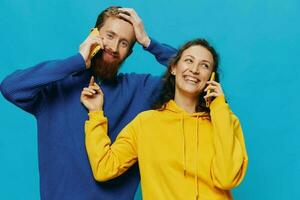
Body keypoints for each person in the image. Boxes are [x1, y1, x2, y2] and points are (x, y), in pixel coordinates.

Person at [0, 6, 177, 200]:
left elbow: (194, 80)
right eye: (110, 35)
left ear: (129, 53)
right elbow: (10, 87)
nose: (114, 47)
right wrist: (77, 61)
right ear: (93, 34)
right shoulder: (56, 87)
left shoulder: (138, 90)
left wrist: (149, 43)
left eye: (124, 43)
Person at [82, 38, 248, 200]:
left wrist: (219, 107)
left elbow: (226, 178)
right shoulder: (146, 123)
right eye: (189, 61)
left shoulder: (226, 121)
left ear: (211, 78)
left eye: (204, 65)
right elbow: (104, 168)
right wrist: (96, 114)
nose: (195, 69)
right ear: (173, 68)